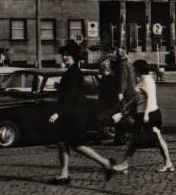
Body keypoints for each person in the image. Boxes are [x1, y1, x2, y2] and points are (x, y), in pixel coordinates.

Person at [47, 46, 122, 185]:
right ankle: (63, 174)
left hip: (73, 115)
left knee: (76, 144)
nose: (64, 57)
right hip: (71, 113)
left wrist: (58, 112)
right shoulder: (72, 71)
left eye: (67, 55)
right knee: (62, 142)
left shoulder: (74, 73)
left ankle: (106, 163)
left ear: (74, 57)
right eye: (63, 55)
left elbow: (71, 96)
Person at [113, 59, 174, 174]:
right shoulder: (141, 80)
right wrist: (126, 108)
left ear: (138, 69)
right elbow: (138, 99)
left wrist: (146, 115)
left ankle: (168, 163)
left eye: (134, 69)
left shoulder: (147, 80)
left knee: (157, 139)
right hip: (142, 114)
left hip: (150, 114)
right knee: (136, 140)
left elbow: (150, 99)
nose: (132, 70)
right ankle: (125, 164)